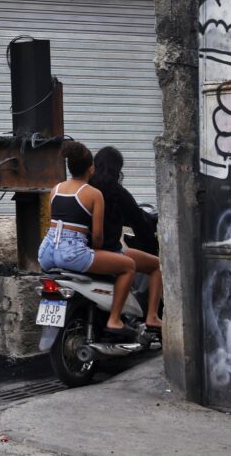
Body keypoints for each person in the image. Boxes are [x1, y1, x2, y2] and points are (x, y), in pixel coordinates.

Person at [38, 140, 136, 333]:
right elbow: (98, 235)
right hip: (72, 253)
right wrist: (97, 250)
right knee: (129, 266)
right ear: (91, 168)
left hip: (46, 252)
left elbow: (54, 223)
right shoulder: (93, 194)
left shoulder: (55, 189)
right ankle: (115, 320)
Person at [90, 146, 163, 329]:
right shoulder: (117, 193)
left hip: (82, 251)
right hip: (108, 252)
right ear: (118, 169)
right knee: (156, 265)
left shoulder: (84, 188)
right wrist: (151, 244)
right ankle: (152, 317)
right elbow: (139, 222)